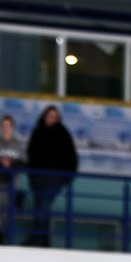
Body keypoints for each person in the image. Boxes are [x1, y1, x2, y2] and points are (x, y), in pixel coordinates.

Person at [25, 105, 78, 247]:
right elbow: (30, 154)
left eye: (55, 116)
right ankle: (44, 241)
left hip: (55, 176)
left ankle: (36, 239)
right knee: (41, 207)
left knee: (43, 205)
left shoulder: (63, 133)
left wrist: (68, 176)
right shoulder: (37, 132)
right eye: (49, 116)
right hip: (38, 177)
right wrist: (31, 175)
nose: (52, 119)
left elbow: (71, 156)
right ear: (44, 116)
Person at [0, 115, 26, 245]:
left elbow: (23, 163)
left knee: (6, 214)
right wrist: (0, 162)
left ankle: (4, 241)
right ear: (0, 127)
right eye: (3, 125)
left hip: (11, 183)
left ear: (12, 127)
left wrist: (11, 164)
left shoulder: (17, 145)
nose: (5, 128)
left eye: (8, 125)